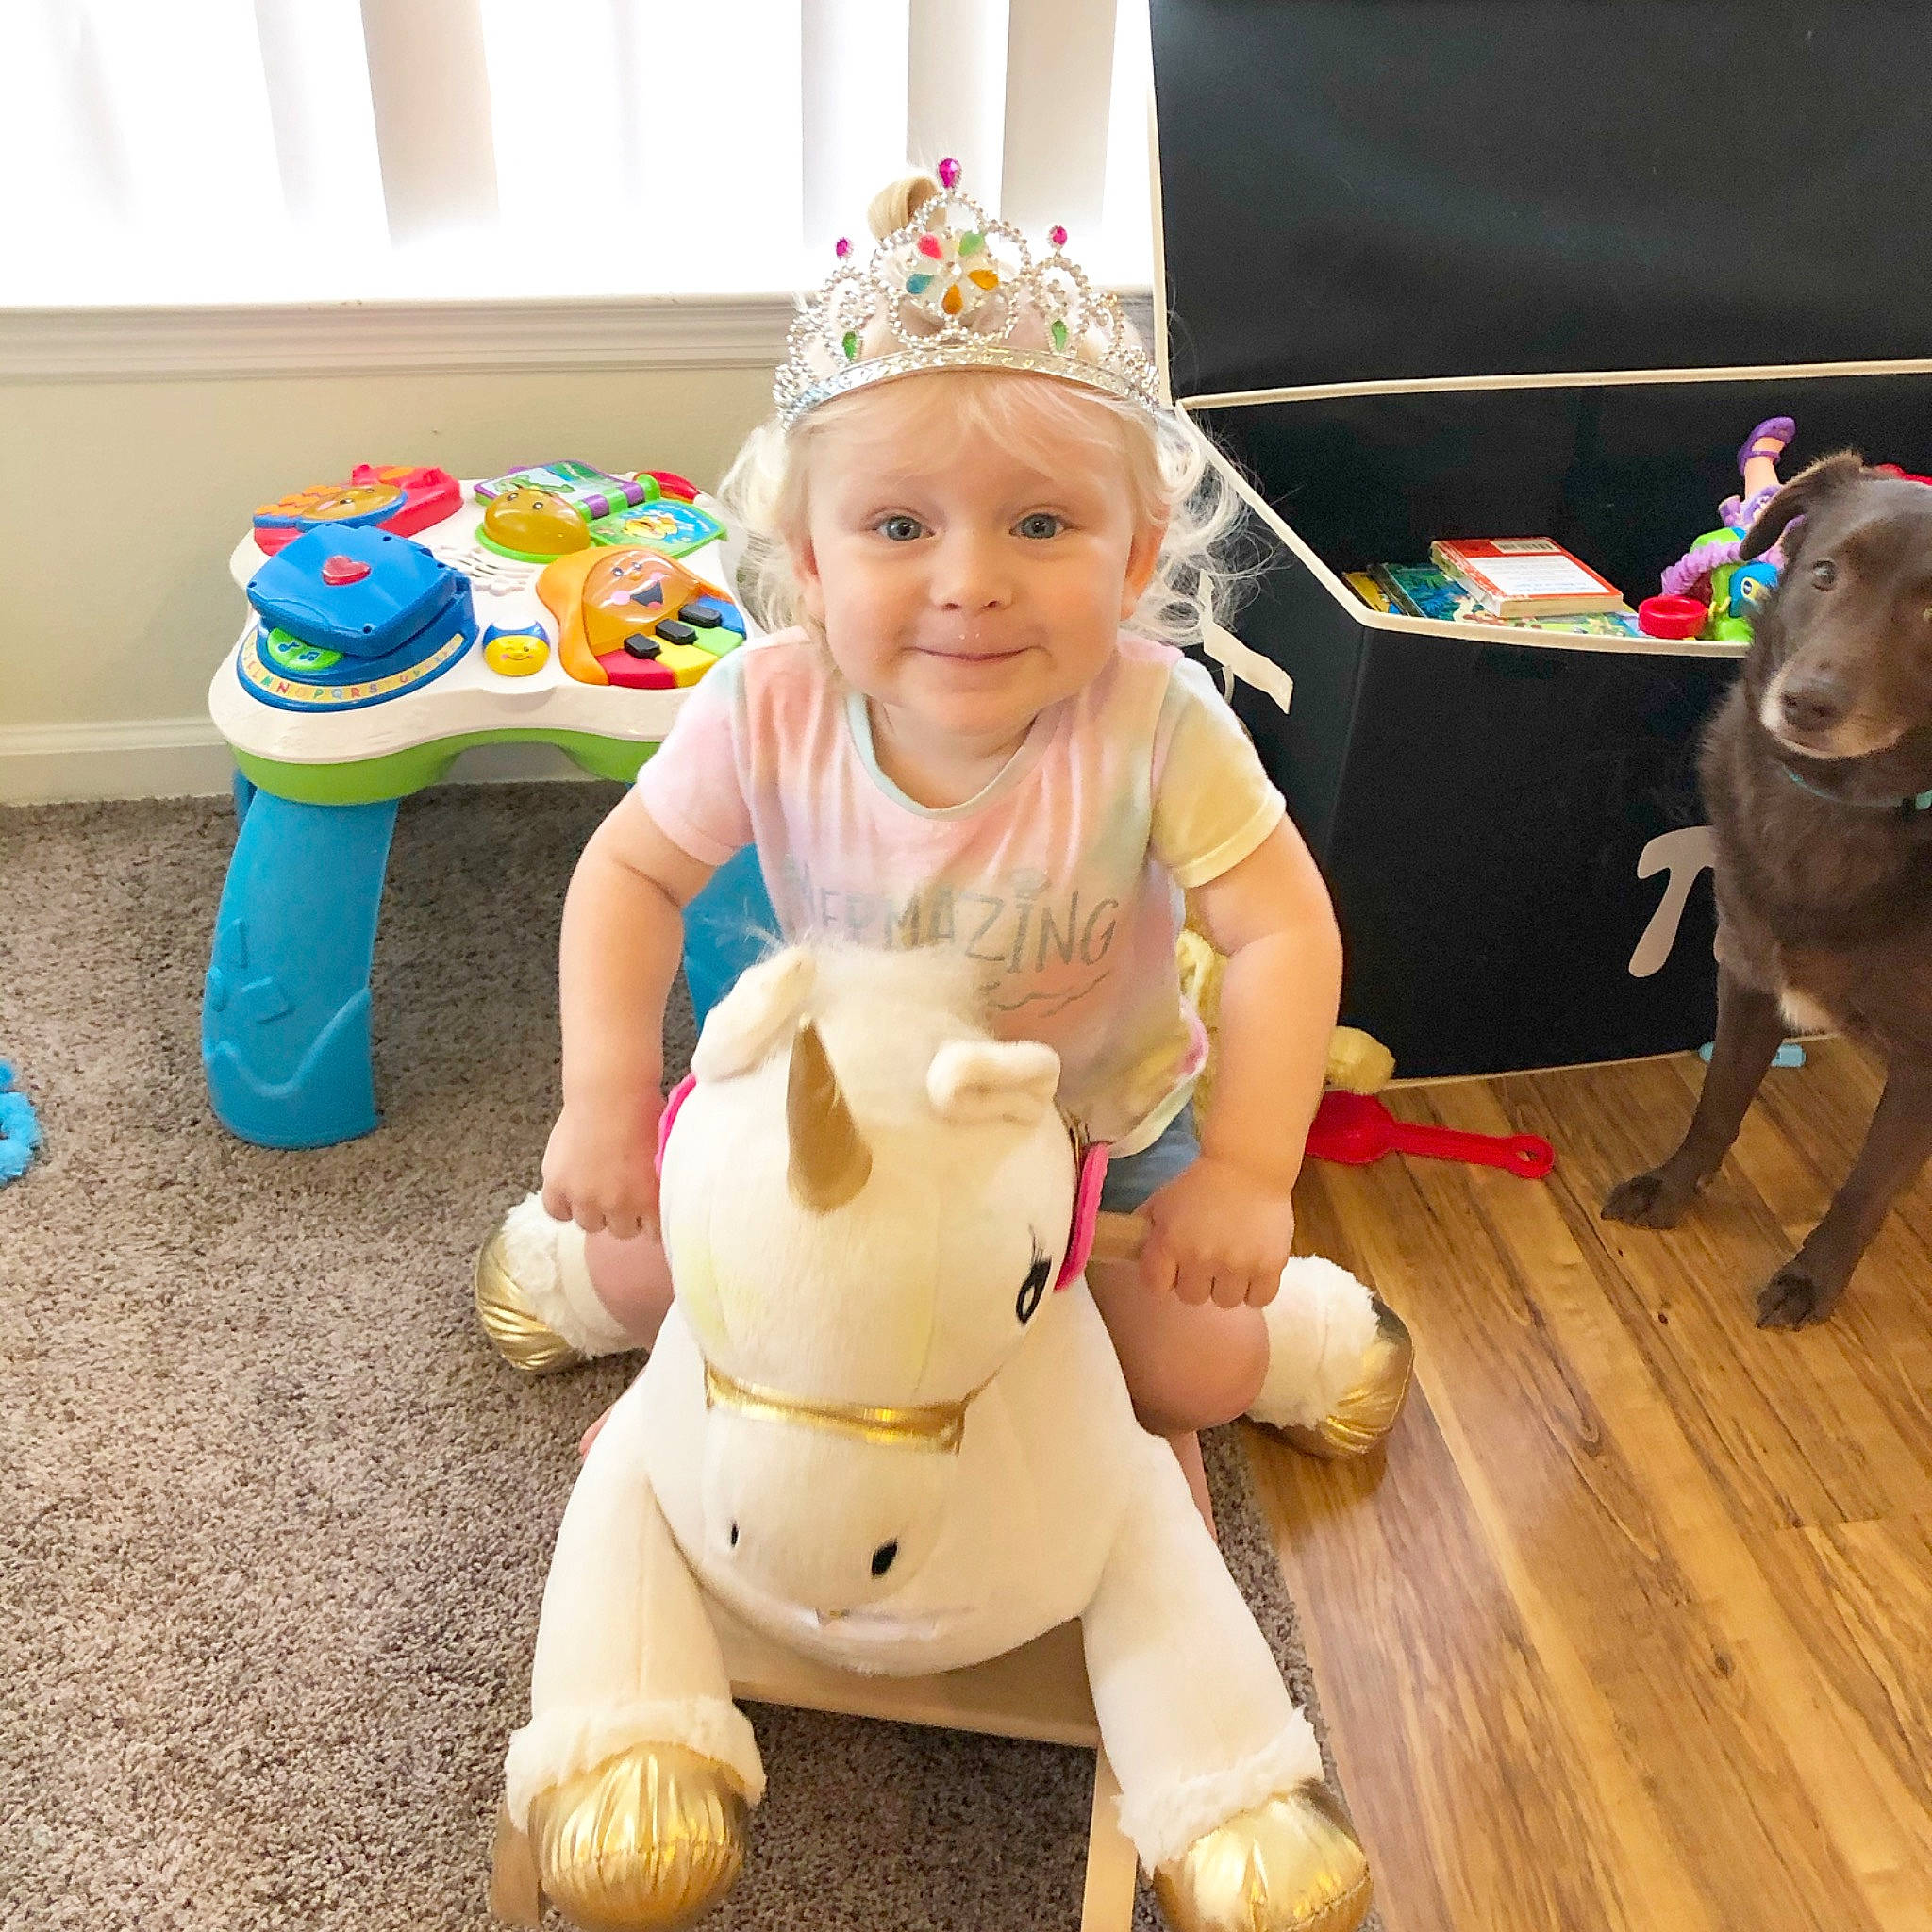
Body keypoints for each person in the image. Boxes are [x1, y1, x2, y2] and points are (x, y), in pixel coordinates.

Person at [475, 161, 1411, 1524]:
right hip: (831, 1122)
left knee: (1189, 1373)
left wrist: (1249, 1176)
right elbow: (629, 873)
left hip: (1095, 1132)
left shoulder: (1156, 718)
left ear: (1139, 554)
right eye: (900, 527)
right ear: (807, 560)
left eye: (1041, 524)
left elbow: (1280, 929)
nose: (970, 580)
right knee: (642, 1278)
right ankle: (558, 1260)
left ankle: (1309, 1328)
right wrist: (606, 1100)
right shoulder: (767, 701)